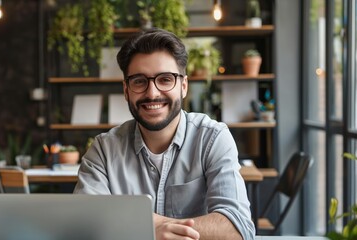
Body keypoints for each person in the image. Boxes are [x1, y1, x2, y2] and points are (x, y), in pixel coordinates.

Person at [73, 28, 255, 240]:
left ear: (183, 86)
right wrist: (153, 227)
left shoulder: (212, 138)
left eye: (166, 79)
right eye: (139, 81)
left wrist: (147, 227)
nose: (152, 93)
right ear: (126, 90)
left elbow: (237, 229)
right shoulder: (104, 150)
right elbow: (85, 227)